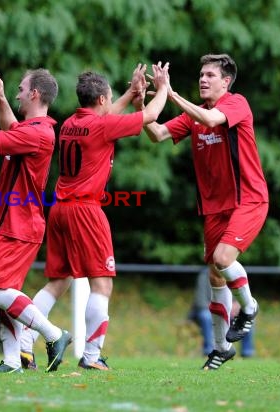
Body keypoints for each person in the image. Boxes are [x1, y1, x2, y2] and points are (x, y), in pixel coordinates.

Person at [18, 63, 170, 371]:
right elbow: (150, 116)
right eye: (110, 97)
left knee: (58, 281)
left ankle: (24, 344)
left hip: (59, 210)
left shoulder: (70, 123)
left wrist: (130, 92)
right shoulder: (103, 127)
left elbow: (106, 115)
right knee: (102, 285)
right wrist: (164, 87)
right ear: (101, 99)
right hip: (86, 210)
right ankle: (91, 357)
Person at [143, 53, 268, 370]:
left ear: (225, 82)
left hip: (248, 199)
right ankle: (221, 348)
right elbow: (157, 134)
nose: (203, 79)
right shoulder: (193, 117)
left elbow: (212, 120)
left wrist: (170, 94)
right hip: (214, 207)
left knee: (223, 260)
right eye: (201, 74)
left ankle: (249, 307)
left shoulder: (236, 104)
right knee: (215, 275)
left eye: (210, 75)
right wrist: (138, 104)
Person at [0, 69, 72, 374]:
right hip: (12, 221)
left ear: (34, 94)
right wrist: (0, 99)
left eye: (19, 89)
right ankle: (13, 361)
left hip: (18, 223)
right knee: (5, 293)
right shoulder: (33, 129)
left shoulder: (37, 132)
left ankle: (54, 335)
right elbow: (10, 127)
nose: (16, 93)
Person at [188, 268, 255, 357]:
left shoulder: (236, 273)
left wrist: (239, 305)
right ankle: (210, 351)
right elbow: (200, 302)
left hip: (230, 314)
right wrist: (222, 308)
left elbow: (245, 299)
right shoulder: (204, 275)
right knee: (205, 316)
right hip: (209, 312)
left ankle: (247, 352)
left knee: (247, 315)